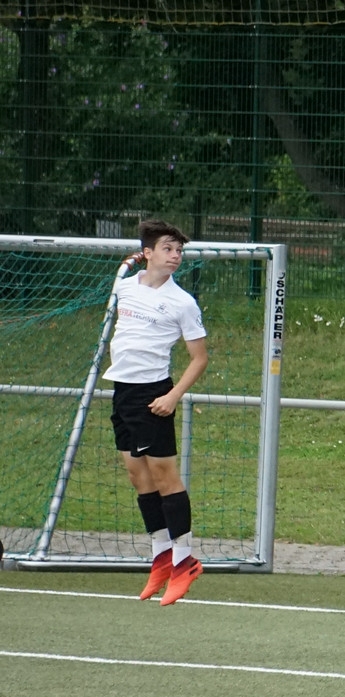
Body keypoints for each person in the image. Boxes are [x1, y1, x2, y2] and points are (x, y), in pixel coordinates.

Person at [104, 219, 209, 606]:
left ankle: (185, 561)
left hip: (154, 395)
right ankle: (161, 556)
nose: (176, 255)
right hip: (122, 392)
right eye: (168, 248)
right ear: (147, 253)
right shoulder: (125, 287)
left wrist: (173, 396)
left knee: (165, 477)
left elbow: (200, 359)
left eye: (179, 250)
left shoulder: (183, 302)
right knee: (139, 476)